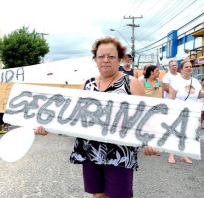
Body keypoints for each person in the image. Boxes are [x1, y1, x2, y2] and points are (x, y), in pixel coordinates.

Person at [35, 37, 158, 198]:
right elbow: (72, 115)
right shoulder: (87, 84)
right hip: (91, 150)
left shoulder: (131, 83)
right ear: (95, 59)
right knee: (98, 195)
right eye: (101, 56)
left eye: (111, 56)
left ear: (120, 59)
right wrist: (48, 127)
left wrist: (148, 142)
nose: (105, 60)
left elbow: (146, 117)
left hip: (119, 153)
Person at [167, 60, 204, 164]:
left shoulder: (196, 82)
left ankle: (184, 155)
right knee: (176, 132)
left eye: (190, 67)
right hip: (178, 111)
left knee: (188, 133)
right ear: (182, 69)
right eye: (186, 67)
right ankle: (171, 155)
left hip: (192, 112)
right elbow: (171, 98)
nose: (189, 68)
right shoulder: (176, 82)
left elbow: (199, 95)